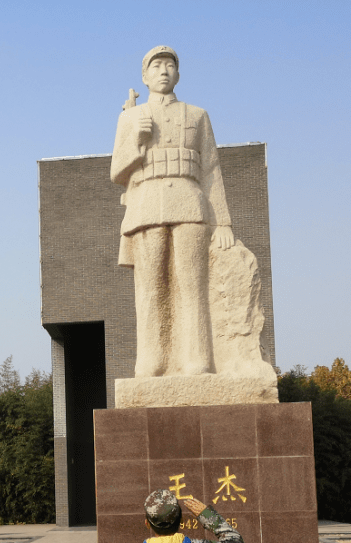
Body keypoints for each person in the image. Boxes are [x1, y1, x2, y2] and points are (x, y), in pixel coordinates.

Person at [111, 46, 236, 379]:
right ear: (145, 76)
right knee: (150, 288)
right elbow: (116, 172)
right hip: (147, 205)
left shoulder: (197, 115)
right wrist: (137, 141)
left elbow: (211, 169)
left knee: (192, 285)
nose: (164, 70)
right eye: (157, 66)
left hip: (189, 203)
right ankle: (151, 360)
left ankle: (197, 358)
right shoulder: (129, 117)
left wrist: (222, 219)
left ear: (178, 74)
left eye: (170, 65)